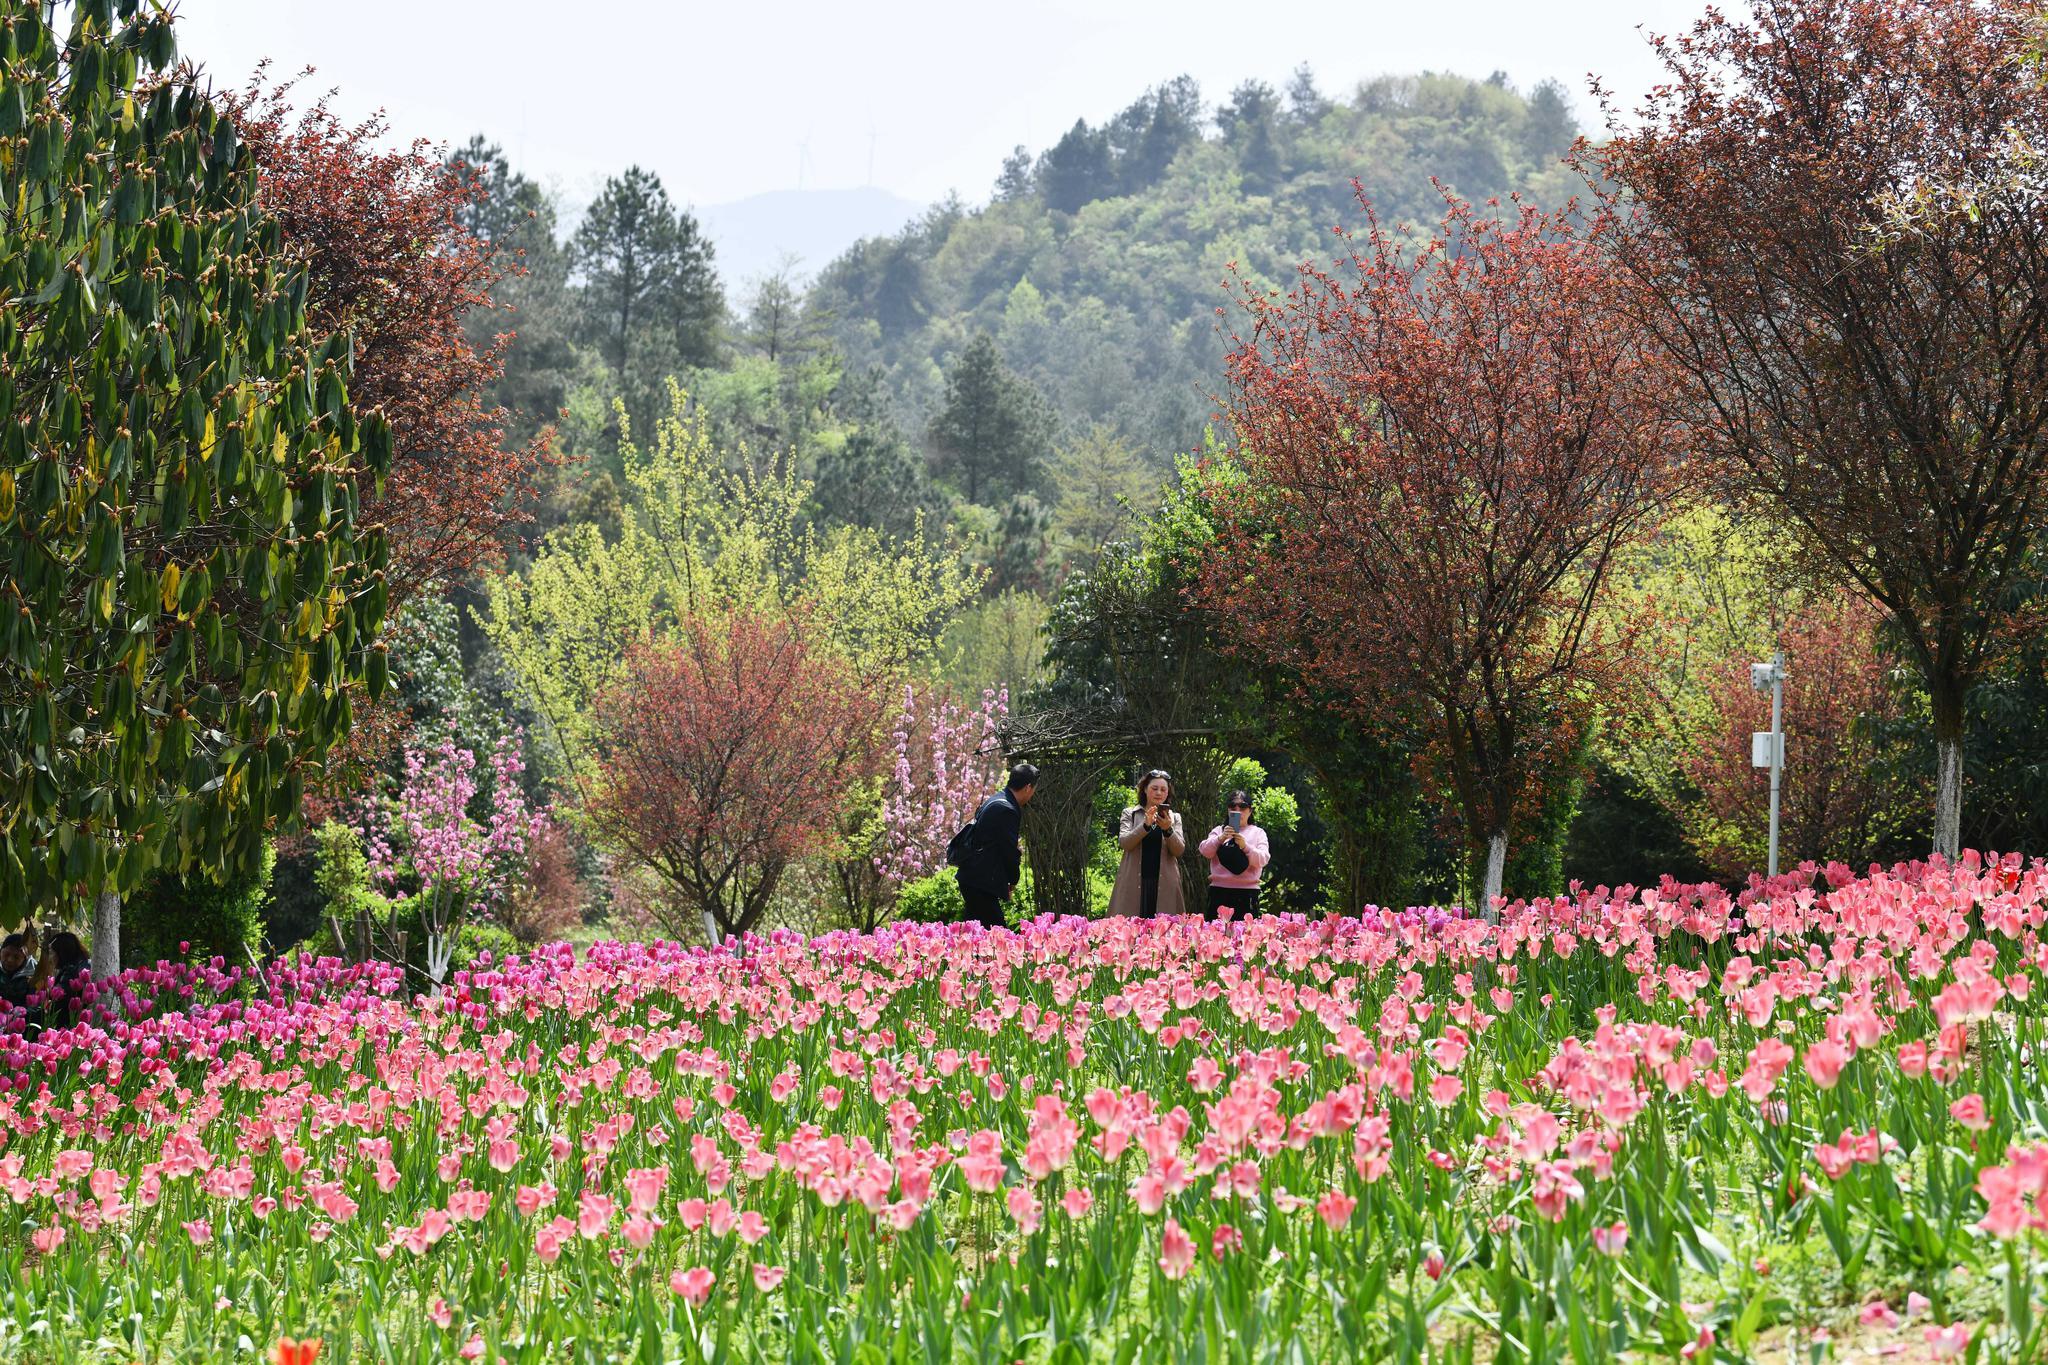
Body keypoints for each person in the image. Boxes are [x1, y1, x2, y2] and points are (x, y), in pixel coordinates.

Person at [954, 762, 1039, 928]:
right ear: (1028, 787)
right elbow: (1009, 851)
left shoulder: (997, 800)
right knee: (998, 936)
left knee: (973, 935)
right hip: (980, 882)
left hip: (972, 878)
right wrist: (1013, 879)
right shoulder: (1007, 809)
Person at [1110, 769, 1185, 917]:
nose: (1159, 793)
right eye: (1154, 788)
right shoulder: (1130, 813)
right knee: (1131, 931)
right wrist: (1145, 825)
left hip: (1165, 885)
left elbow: (1179, 850)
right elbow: (1125, 843)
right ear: (1145, 789)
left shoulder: (1174, 818)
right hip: (1134, 882)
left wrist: (1168, 830)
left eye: (1163, 789)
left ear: (1168, 793)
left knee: (1163, 932)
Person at [1199, 789, 1271, 920]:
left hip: (1247, 893)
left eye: (1242, 806)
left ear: (1250, 810)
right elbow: (1205, 851)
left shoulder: (1258, 832)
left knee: (1246, 938)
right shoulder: (1219, 830)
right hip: (1219, 891)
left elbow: (1263, 859)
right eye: (1233, 806)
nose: (1237, 810)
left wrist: (1245, 846)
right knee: (1215, 935)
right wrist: (1221, 838)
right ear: (1228, 810)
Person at [29, 930, 88, 1030]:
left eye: (51, 952)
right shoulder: (80, 966)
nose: (50, 958)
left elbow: (57, 1004)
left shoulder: (70, 973)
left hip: (64, 1026)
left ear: (62, 953)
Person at [0, 933, 35, 1015]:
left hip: (21, 1021)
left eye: (16, 957)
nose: (10, 960)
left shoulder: (34, 974)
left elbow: (35, 1007)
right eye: (6, 954)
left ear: (25, 958)